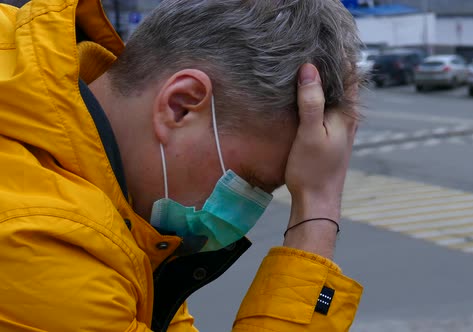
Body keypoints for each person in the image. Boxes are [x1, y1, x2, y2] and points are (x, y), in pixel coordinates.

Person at [0, 0, 363, 331]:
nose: (241, 215)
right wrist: (318, 205)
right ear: (181, 105)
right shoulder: (45, 239)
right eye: (251, 183)